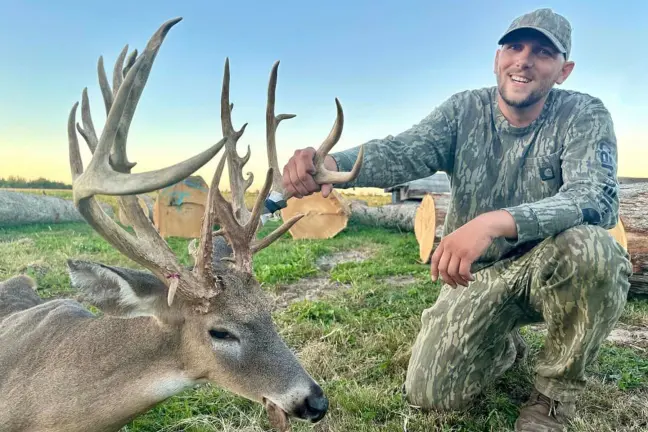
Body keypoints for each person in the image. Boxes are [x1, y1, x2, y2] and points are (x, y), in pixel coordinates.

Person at [281, 7, 632, 432]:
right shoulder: (464, 110)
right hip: (475, 279)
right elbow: (402, 151)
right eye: (514, 47)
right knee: (431, 395)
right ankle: (504, 346)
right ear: (497, 58)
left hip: (551, 268)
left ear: (563, 70)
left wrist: (493, 222)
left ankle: (553, 400)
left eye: (542, 52)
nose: (524, 59)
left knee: (595, 249)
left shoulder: (583, 114)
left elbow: (596, 197)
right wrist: (330, 163)